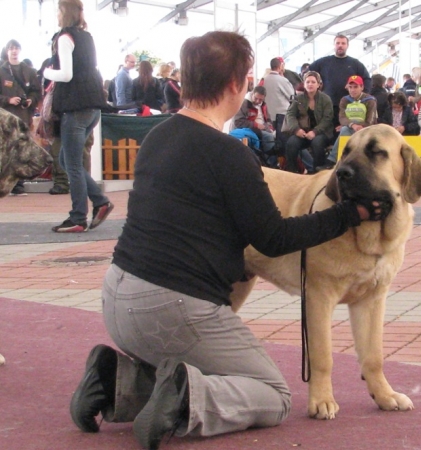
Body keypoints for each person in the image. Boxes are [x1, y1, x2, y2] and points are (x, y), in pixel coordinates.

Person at [68, 31, 379, 450]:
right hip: (170, 311)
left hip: (116, 297)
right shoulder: (230, 154)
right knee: (272, 394)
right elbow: (273, 238)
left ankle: (114, 380)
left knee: (216, 367)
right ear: (235, 84)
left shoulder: (157, 137)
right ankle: (184, 400)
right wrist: (349, 214)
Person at [43, 0, 113, 232]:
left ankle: (78, 218)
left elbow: (65, 73)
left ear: (64, 13)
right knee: (66, 160)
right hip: (92, 108)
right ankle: (101, 202)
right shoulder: (87, 37)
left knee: (71, 164)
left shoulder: (64, 37)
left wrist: (45, 71)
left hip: (75, 108)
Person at [0, 39, 42, 196]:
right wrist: (7, 100)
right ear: (7, 51)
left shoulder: (29, 71)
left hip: (24, 116)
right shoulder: (1, 70)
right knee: (6, 150)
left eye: (16, 48)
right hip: (6, 117)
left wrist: (31, 100)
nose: (14, 51)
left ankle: (19, 185)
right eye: (11, 48)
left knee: (22, 149)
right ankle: (6, 184)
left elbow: (37, 91)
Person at [309, 35, 371, 127]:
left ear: (347, 46)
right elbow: (307, 73)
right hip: (328, 105)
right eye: (337, 43)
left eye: (343, 43)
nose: (340, 45)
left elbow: (367, 80)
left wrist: (362, 97)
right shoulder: (323, 62)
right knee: (329, 133)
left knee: (346, 132)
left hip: (349, 106)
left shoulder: (355, 64)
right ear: (334, 45)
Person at [318, 75, 377, 170]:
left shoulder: (370, 100)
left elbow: (371, 120)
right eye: (350, 87)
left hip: (366, 129)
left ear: (362, 87)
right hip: (350, 127)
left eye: (356, 87)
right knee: (345, 129)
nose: (353, 90)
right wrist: (352, 125)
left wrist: (352, 125)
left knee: (344, 129)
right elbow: (342, 117)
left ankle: (332, 160)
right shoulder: (345, 100)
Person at [284, 70, 334, 173]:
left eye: (313, 82)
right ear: (304, 84)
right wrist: (296, 129)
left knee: (317, 143)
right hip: (303, 133)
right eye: (307, 82)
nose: (310, 84)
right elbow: (290, 114)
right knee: (291, 143)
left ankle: (317, 173)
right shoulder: (298, 99)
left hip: (322, 133)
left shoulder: (326, 99)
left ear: (318, 84)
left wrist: (315, 132)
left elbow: (327, 119)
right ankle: (293, 172)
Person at [232, 85, 277, 166]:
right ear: (252, 94)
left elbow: (268, 119)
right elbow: (238, 122)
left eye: (260, 100)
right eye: (256, 98)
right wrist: (256, 125)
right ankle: (271, 165)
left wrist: (269, 126)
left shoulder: (263, 105)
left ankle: (271, 162)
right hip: (248, 130)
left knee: (278, 137)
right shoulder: (244, 103)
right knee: (269, 137)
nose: (258, 101)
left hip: (262, 128)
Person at [262, 57, 294, 122]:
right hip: (282, 114)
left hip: (269, 114)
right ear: (280, 67)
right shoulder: (283, 80)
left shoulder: (264, 80)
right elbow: (292, 96)